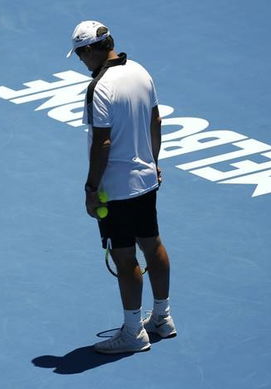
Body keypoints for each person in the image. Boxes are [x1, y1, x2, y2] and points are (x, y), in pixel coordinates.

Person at [67, 21, 177, 353]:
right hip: (145, 182)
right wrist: (153, 161)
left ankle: (133, 333)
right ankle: (162, 317)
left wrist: (91, 189)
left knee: (125, 256)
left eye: (80, 55)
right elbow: (155, 120)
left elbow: (103, 143)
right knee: (152, 244)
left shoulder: (100, 88)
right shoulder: (141, 71)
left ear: (90, 50)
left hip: (116, 190)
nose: (81, 62)